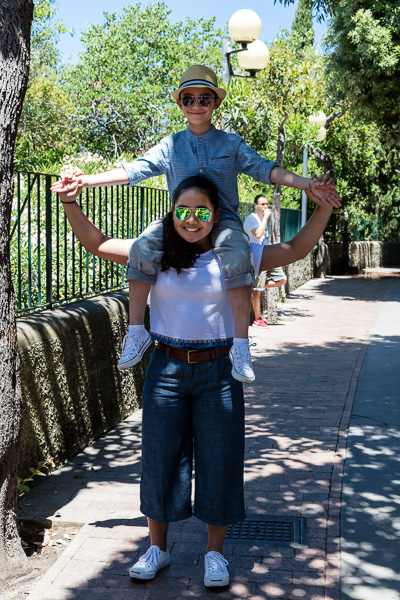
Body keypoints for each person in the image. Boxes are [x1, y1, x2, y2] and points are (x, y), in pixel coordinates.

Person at [56, 173, 338, 587]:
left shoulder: (237, 254)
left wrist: (323, 207)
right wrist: (69, 203)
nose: (191, 220)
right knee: (160, 461)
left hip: (218, 371)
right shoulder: (154, 253)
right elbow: (97, 243)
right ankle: (157, 549)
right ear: (172, 213)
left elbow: (296, 247)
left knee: (220, 461)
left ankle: (214, 555)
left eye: (200, 212)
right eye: (182, 211)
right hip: (165, 368)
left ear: (216, 214)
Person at [51, 64, 341, 385]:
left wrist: (306, 185)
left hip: (223, 219)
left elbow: (265, 169)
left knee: (237, 252)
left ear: (216, 103)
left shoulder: (230, 144)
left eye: (205, 98)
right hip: (181, 219)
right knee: (145, 244)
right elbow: (134, 171)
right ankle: (136, 332)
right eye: (189, 99)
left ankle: (240, 345)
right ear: (180, 104)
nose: (197, 105)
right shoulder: (170, 146)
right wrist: (84, 181)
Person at [244, 194, 287, 328]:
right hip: (256, 256)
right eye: (262, 204)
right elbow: (258, 234)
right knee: (257, 291)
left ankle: (255, 285)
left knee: (282, 279)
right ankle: (257, 318)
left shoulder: (262, 219)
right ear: (256, 206)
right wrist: (266, 218)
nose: (265, 207)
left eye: (267, 204)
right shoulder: (251, 219)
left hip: (265, 254)